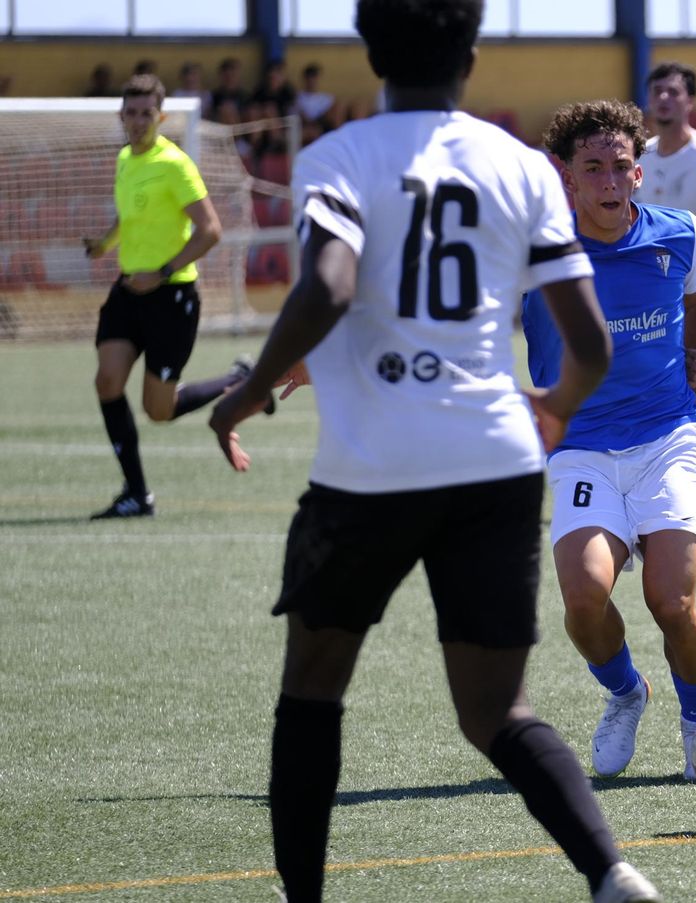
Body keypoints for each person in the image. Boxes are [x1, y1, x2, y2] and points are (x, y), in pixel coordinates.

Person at [204, 2, 661, 901]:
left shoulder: (338, 157)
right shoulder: (521, 166)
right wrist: (553, 409)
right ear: (473, 56)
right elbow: (591, 345)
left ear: (371, 52)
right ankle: (611, 871)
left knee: (313, 688)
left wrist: (250, 389)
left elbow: (327, 285)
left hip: (370, 470)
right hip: (493, 463)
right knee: (497, 710)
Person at [523, 99, 696, 781]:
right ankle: (627, 691)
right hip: (581, 447)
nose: (608, 180)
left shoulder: (680, 232)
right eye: (592, 168)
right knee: (583, 600)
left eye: (621, 166)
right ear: (568, 176)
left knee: (672, 601)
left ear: (639, 173)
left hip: (667, 437)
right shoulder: (537, 253)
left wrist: (692, 359)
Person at [81, 73, 259, 520]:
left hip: (171, 298)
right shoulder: (125, 159)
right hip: (128, 292)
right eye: (131, 112)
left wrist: (162, 273)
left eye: (147, 113)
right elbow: (127, 217)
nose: (138, 121)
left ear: (160, 118)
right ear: (121, 115)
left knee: (158, 410)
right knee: (107, 382)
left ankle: (239, 378)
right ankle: (136, 494)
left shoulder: (175, 164)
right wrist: (104, 244)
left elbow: (211, 230)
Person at [639, 60, 696, 516]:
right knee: (672, 380)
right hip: (651, 291)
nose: (664, 98)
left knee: (688, 378)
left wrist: (691, 265)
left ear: (690, 100)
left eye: (673, 91)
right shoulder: (638, 156)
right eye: (657, 90)